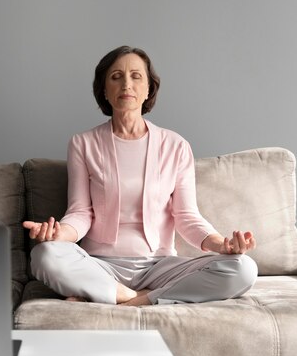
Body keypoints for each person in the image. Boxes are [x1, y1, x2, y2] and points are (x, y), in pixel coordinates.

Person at [23, 46, 258, 306]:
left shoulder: (176, 146)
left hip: (159, 268)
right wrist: (58, 235)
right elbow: (81, 213)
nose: (126, 84)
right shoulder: (83, 143)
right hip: (99, 265)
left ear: (148, 89)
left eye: (136, 76)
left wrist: (221, 245)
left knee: (243, 268)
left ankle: (130, 298)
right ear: (104, 90)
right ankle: (124, 293)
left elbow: (186, 216)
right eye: (116, 77)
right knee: (43, 255)